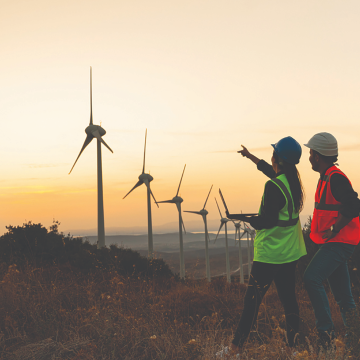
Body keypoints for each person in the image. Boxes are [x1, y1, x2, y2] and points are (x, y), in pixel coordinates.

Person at [216, 136, 307, 359]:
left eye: (273, 153)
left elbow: (267, 221)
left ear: (277, 158)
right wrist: (250, 157)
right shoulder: (292, 182)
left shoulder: (273, 185)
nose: (271, 157)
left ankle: (235, 349)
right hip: (290, 252)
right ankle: (293, 349)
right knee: (289, 300)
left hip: (270, 254)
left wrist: (247, 219)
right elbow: (269, 171)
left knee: (252, 303)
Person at [303, 132, 360, 348]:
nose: (309, 156)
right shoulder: (328, 176)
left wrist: (335, 228)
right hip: (338, 242)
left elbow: (354, 206)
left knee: (311, 278)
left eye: (310, 153)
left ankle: (325, 335)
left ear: (317, 156)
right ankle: (355, 340)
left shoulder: (335, 177)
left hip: (340, 242)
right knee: (344, 298)